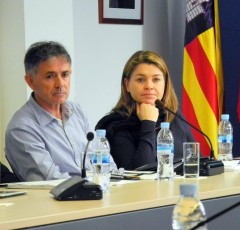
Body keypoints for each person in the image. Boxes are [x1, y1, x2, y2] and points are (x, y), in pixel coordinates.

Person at [5, 41, 115, 181]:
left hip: (98, 194)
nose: (60, 84)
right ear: (31, 82)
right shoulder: (21, 128)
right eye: (50, 76)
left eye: (65, 75)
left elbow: (106, 163)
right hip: (61, 200)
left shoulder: (77, 111)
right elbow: (51, 182)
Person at [95, 50, 194, 170]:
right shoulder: (115, 125)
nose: (149, 86)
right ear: (127, 85)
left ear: (165, 83)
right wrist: (148, 123)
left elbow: (195, 163)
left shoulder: (175, 117)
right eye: (141, 80)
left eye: (156, 79)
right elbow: (140, 172)